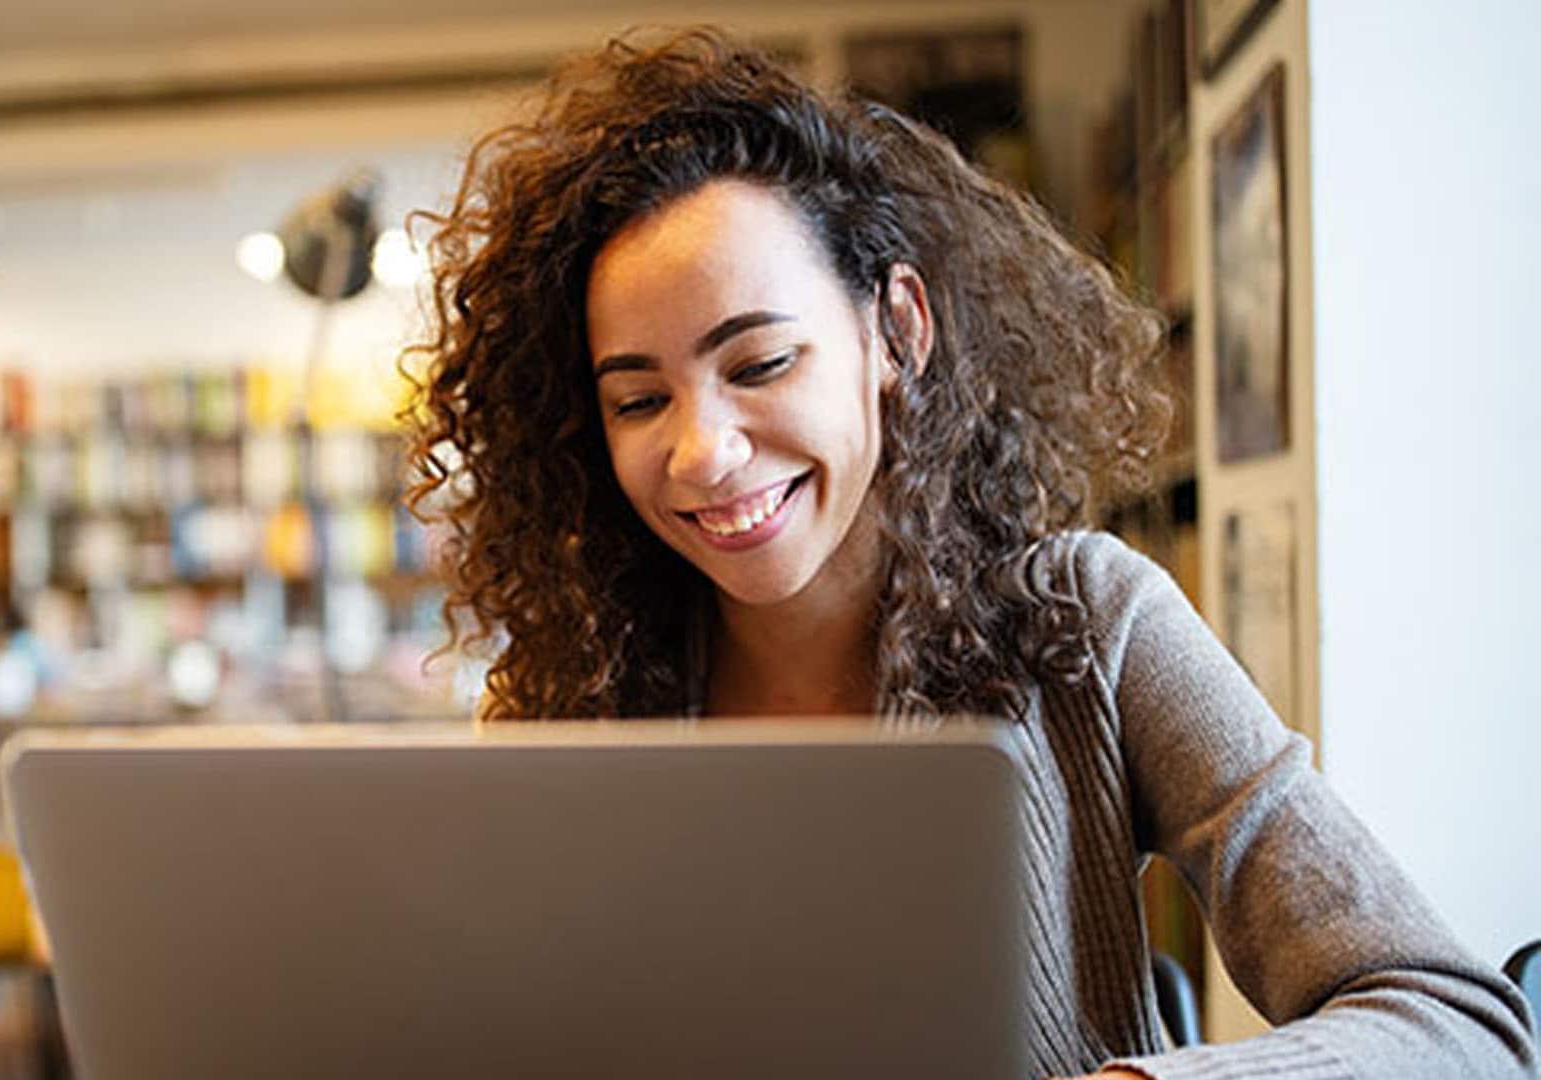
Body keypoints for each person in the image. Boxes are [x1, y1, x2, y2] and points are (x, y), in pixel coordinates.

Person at [400, 27, 1537, 1080]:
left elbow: (1455, 1019)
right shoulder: (577, 690)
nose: (703, 454)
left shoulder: (1089, 620)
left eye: (758, 367)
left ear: (896, 331)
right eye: (640, 398)